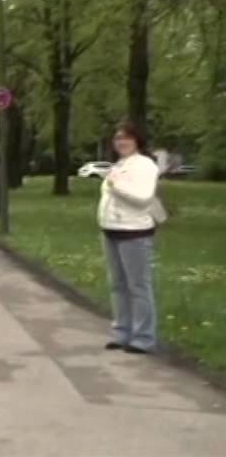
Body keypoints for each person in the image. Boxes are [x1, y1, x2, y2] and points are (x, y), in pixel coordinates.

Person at [98, 121, 160, 354]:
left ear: (137, 141)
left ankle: (143, 337)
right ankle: (122, 333)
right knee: (117, 286)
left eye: (126, 138)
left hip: (134, 232)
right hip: (111, 230)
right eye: (117, 138)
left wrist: (116, 186)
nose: (121, 142)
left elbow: (143, 198)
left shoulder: (145, 165)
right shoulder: (120, 164)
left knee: (138, 286)